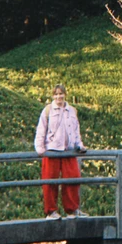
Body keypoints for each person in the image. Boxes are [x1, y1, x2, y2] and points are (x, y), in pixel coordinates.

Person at [35, 84, 85, 218]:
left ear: (65, 95)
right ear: (52, 96)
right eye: (56, 94)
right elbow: (41, 129)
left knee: (73, 179)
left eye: (61, 94)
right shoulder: (47, 110)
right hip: (52, 150)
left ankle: (72, 210)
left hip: (68, 150)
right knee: (50, 181)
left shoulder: (72, 111)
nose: (59, 97)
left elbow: (76, 131)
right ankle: (51, 211)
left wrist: (79, 144)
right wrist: (40, 148)